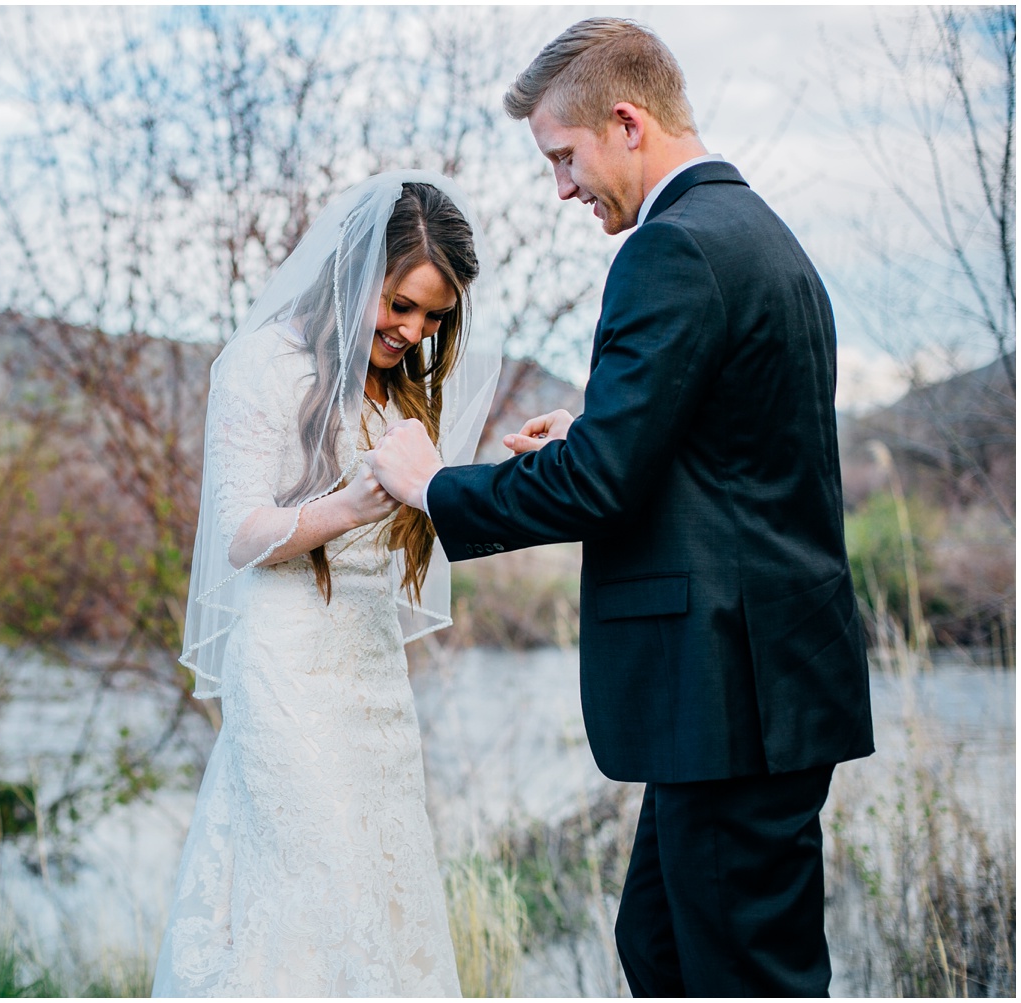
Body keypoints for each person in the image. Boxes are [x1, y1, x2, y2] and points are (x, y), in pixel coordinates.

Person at [369, 18, 874, 997]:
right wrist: (601, 428)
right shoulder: (762, 237)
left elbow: (600, 484)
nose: (561, 186)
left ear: (627, 123)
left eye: (564, 156)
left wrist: (432, 486)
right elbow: (743, 457)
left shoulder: (671, 251)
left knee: (736, 976)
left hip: (730, 698)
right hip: (762, 688)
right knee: (662, 950)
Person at [153, 172, 501, 997]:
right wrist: (342, 506)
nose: (412, 330)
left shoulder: (400, 388)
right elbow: (241, 534)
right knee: (312, 890)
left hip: (374, 675)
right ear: (354, 274)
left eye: (432, 316)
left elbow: (423, 510)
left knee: (382, 885)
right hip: (288, 669)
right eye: (399, 303)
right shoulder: (265, 364)